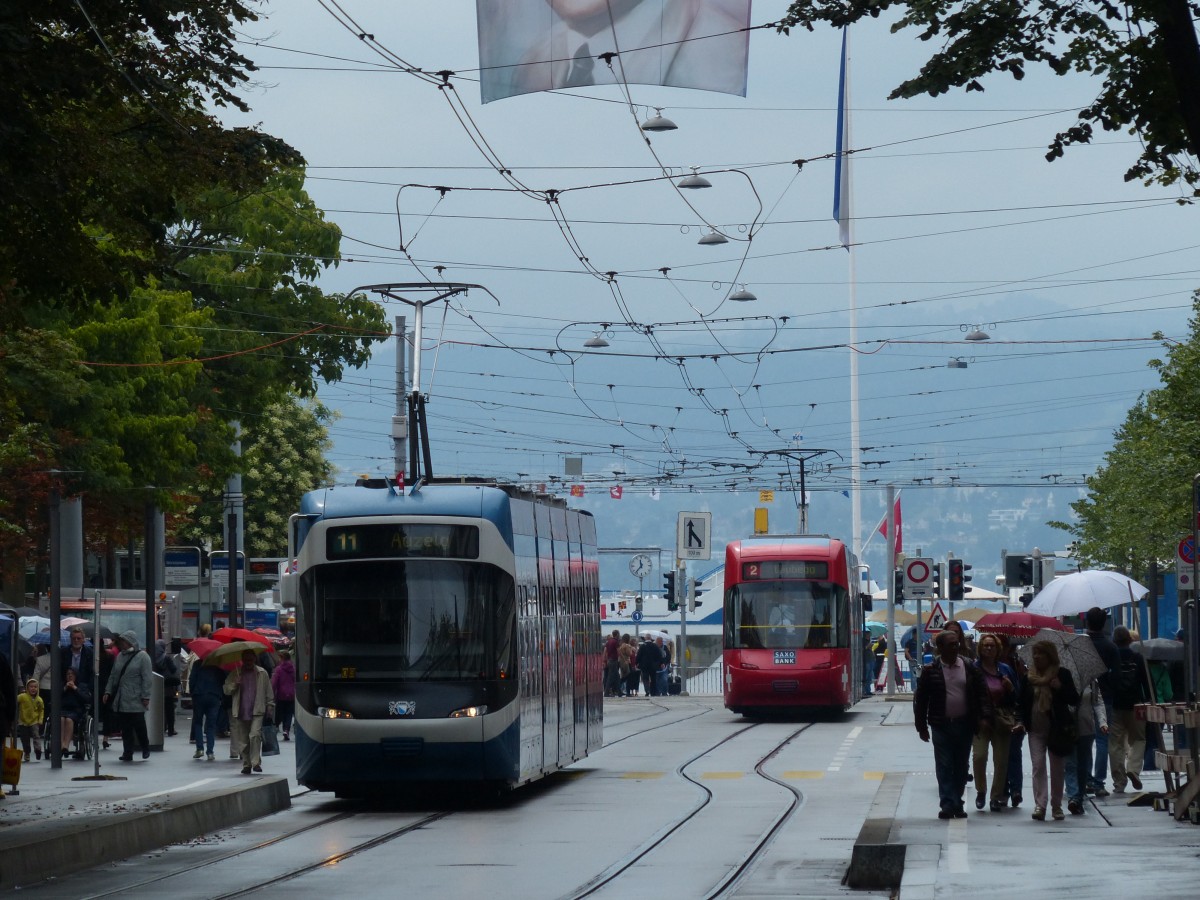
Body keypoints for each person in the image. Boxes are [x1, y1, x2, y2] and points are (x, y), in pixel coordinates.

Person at [913, 629, 994, 819]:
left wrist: (985, 718)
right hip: (941, 725)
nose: (955, 647)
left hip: (964, 724)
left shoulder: (969, 667)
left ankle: (957, 801)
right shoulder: (930, 671)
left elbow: (982, 694)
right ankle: (948, 804)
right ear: (940, 648)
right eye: (951, 644)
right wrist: (921, 726)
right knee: (944, 764)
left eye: (957, 643)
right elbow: (922, 700)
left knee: (960, 765)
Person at [1015, 639, 1080, 821]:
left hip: (1056, 729)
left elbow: (1074, 699)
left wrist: (1060, 688)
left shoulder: (1062, 675)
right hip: (1035, 729)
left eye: (1041, 653)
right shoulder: (1028, 677)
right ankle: (1040, 805)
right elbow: (1020, 703)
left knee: (1057, 768)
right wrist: (1019, 721)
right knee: (1038, 766)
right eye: (1035, 653)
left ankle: (1057, 805)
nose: (1036, 657)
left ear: (1050, 656)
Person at [971, 633, 1017, 811]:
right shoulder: (974, 669)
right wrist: (978, 718)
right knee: (979, 756)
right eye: (985, 645)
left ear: (998, 649)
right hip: (982, 718)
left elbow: (1016, 696)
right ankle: (981, 790)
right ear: (980, 648)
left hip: (1002, 718)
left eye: (992, 646)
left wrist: (1010, 688)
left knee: (1001, 760)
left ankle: (996, 796)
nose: (989, 648)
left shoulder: (1005, 670)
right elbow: (970, 696)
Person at [1109, 625, 1153, 793]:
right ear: (1129, 640)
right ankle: (1133, 770)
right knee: (1139, 739)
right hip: (1136, 705)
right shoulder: (1138, 658)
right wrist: (1150, 699)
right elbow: (1146, 682)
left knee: (1116, 744)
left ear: (1114, 641)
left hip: (1115, 705)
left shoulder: (1112, 659)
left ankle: (1119, 782)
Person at [1084, 606, 1119, 797]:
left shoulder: (1081, 645)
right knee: (1102, 740)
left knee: (1085, 739)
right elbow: (1117, 676)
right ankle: (1098, 782)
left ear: (1086, 622)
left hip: (1083, 698)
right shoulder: (1111, 647)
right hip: (1105, 698)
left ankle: (1086, 778)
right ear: (1104, 623)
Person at [102, 630, 153, 762]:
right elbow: (113, 675)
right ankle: (127, 752)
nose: (122, 643)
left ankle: (145, 747)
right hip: (122, 697)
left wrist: (146, 696)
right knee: (125, 728)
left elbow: (147, 678)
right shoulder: (119, 656)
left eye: (124, 641)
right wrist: (108, 691)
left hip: (136, 697)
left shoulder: (143, 657)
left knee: (139, 725)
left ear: (130, 641)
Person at [224, 649, 274, 775]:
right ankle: (247, 764)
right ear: (242, 660)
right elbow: (226, 690)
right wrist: (235, 684)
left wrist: (270, 706)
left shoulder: (262, 673)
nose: (248, 663)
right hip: (241, 710)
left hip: (257, 710)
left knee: (254, 735)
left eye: (250, 660)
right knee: (243, 740)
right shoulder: (236, 673)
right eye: (246, 660)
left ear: (255, 660)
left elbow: (269, 691)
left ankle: (256, 762)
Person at [1064, 677, 1106, 815]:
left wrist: (1102, 722)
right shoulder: (1061, 678)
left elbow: (1098, 703)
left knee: (1082, 766)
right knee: (1070, 764)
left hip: (1086, 728)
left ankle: (1079, 797)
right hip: (1067, 727)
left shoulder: (1092, 681)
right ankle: (1073, 797)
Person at [1000, 636, 1027, 807]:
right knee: (1003, 754)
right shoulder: (991, 666)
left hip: (1016, 713)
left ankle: (1015, 790)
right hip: (999, 714)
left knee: (1014, 752)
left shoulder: (1018, 664)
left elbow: (1023, 690)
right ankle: (1004, 790)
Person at [190, 652, 225, 761]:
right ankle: (210, 752)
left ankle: (199, 749)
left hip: (199, 695)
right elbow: (223, 680)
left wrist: (192, 693)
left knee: (198, 722)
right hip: (214, 696)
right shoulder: (218, 666)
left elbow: (192, 680)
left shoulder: (197, 664)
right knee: (211, 725)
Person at [59, 667, 91, 758]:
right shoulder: (62, 685)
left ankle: (66, 745)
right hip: (63, 709)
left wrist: (75, 688)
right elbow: (55, 697)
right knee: (60, 719)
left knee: (69, 719)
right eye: (68, 674)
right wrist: (65, 688)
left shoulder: (82, 686)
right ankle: (60, 745)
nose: (69, 675)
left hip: (76, 710)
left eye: (72, 674)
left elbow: (87, 699)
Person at [153, 639, 181, 736]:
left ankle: (160, 727)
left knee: (159, 709)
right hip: (168, 687)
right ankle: (171, 729)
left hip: (157, 687)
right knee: (170, 710)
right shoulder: (166, 658)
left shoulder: (152, 658)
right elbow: (173, 669)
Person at [271, 650, 296, 741]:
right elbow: (295, 680)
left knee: (280, 712)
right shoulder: (293, 668)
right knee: (289, 713)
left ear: (282, 658)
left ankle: (277, 727)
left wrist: (272, 692)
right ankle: (286, 730)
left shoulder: (279, 669)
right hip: (291, 695)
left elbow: (274, 682)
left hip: (281, 694)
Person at [16, 679, 44, 762]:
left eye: (35, 687)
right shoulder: (22, 697)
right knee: (25, 739)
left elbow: (41, 710)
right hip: (23, 721)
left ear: (38, 688)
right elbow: (15, 701)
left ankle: (38, 750)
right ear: (27, 688)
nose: (33, 688)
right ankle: (27, 752)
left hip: (34, 721)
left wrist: (40, 719)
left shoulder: (39, 700)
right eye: (31, 687)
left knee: (36, 735)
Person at [603, 629, 621, 697]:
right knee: (611, 677)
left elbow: (606, 652)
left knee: (617, 677)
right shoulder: (616, 642)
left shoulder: (608, 642)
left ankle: (619, 691)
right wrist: (621, 658)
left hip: (610, 660)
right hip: (614, 660)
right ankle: (606, 692)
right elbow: (618, 651)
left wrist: (605, 660)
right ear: (617, 635)